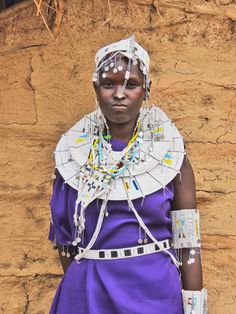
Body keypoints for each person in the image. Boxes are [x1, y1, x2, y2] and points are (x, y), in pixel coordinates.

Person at [48, 35, 207, 314]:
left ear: (146, 89)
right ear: (95, 88)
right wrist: (86, 277)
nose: (119, 93)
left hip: (155, 294)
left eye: (131, 84)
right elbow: (65, 241)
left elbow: (189, 244)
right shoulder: (73, 158)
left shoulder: (169, 157)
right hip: (87, 294)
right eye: (109, 84)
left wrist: (196, 309)